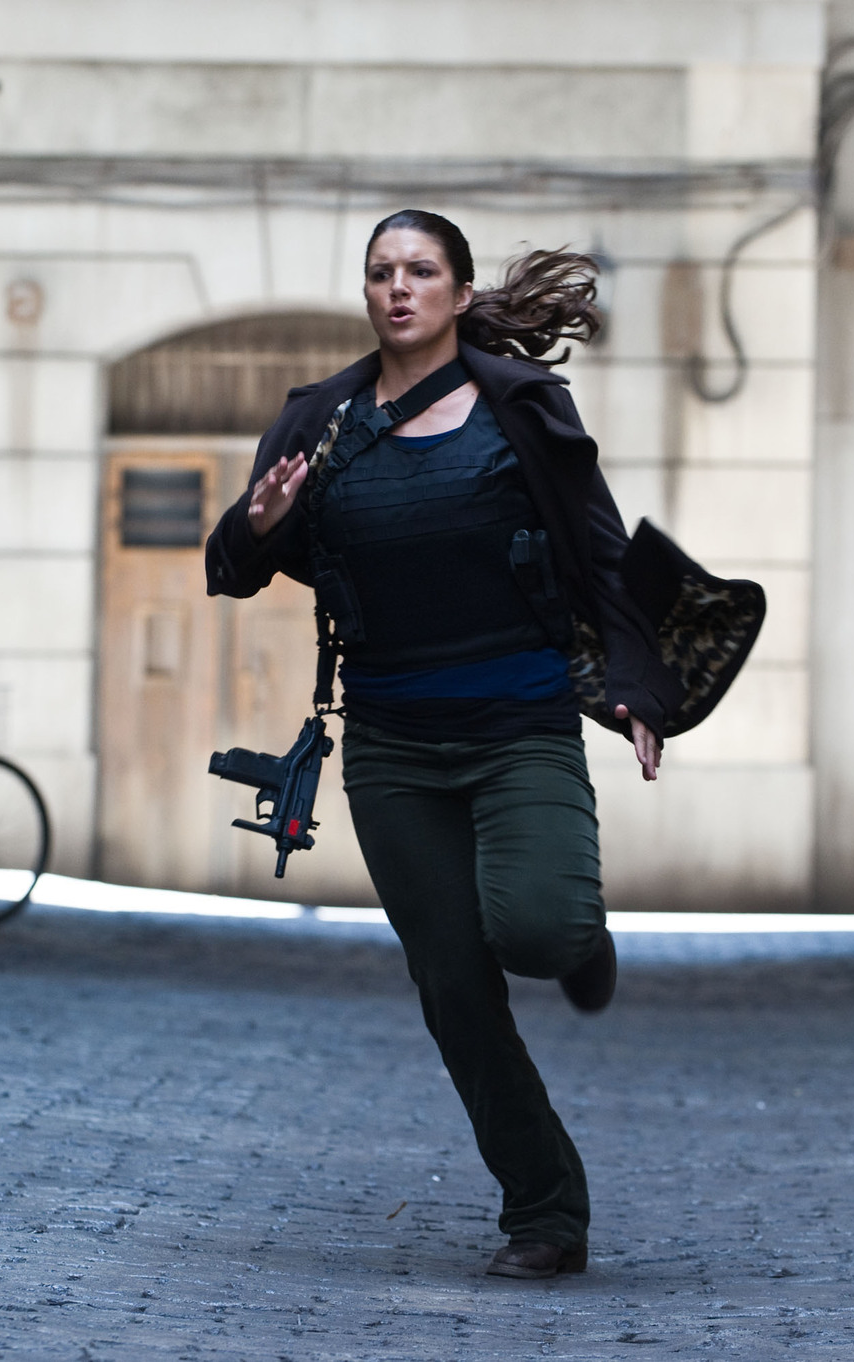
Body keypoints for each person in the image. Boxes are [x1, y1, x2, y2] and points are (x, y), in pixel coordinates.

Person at [206, 210, 735, 1280]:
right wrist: (258, 526)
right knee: (453, 986)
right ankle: (543, 1207)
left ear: (454, 293)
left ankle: (578, 935)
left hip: (517, 725)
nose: (397, 289)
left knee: (537, 930)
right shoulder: (319, 422)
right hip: (394, 745)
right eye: (380, 273)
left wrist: (638, 691)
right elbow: (229, 565)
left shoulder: (521, 410)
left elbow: (597, 556)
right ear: (367, 294)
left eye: (419, 271)